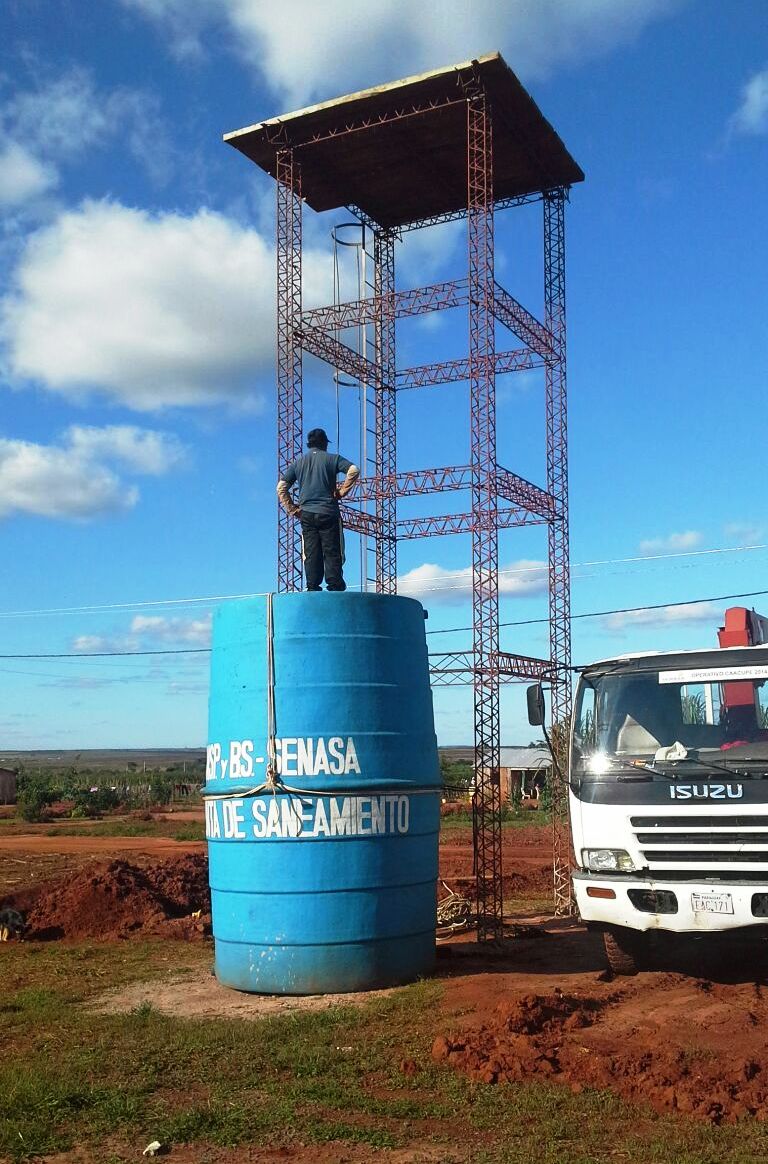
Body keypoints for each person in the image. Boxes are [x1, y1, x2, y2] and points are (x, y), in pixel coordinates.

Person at [276, 428, 360, 592]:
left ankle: (313, 585)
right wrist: (342, 491)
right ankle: (335, 584)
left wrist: (293, 509)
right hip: (328, 511)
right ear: (324, 443)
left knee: (311, 550)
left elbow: (281, 487)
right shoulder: (332, 458)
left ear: (310, 444)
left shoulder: (298, 463)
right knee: (332, 549)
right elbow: (353, 470)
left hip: (306, 513)